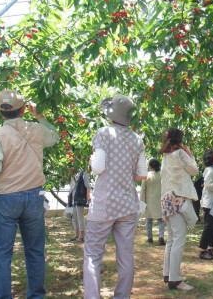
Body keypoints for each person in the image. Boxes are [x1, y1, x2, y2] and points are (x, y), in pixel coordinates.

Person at [0, 89, 59, 298]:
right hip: (34, 197)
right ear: (24, 109)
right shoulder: (36, 129)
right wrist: (39, 116)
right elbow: (54, 137)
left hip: (7, 197)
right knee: (35, 252)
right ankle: (36, 295)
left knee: (1, 255)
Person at [84, 94, 148, 299]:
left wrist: (93, 160)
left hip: (104, 204)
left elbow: (98, 168)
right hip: (128, 205)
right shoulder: (136, 139)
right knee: (126, 256)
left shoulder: (102, 134)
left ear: (111, 115)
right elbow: (142, 175)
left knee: (93, 256)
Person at [160, 128, 199, 291]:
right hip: (178, 197)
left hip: (166, 198)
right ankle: (175, 280)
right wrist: (191, 155)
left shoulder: (165, 155)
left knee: (172, 239)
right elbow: (194, 171)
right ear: (180, 140)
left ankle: (169, 274)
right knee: (179, 238)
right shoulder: (180, 154)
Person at [140, 159, 166, 245]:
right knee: (161, 220)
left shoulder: (147, 175)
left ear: (150, 166)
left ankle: (150, 238)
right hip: (160, 200)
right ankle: (161, 237)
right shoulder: (162, 175)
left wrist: (142, 201)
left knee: (149, 220)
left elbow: (143, 189)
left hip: (150, 201)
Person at [68, 169, 91, 242]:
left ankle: (81, 236)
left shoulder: (85, 172)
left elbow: (87, 185)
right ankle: (76, 234)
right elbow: (70, 185)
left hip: (80, 197)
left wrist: (88, 195)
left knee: (79, 217)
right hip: (74, 198)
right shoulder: (74, 173)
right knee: (74, 217)